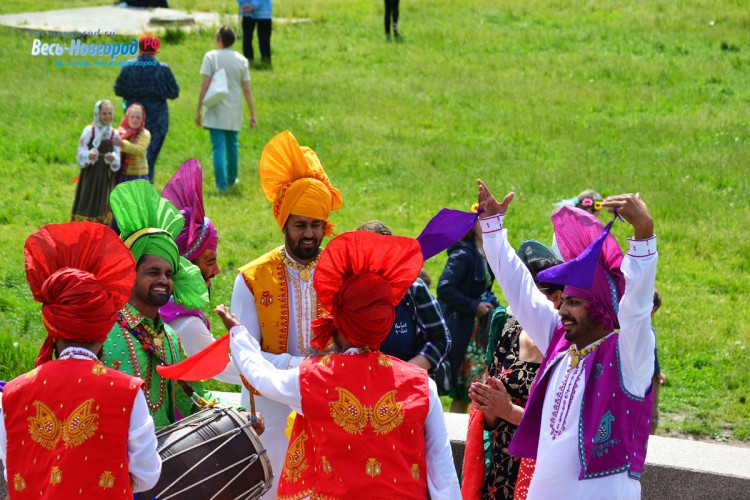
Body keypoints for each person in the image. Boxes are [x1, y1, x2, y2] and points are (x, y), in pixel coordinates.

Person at [223, 230, 461, 498]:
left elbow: (261, 377)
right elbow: (444, 478)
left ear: (338, 323)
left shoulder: (313, 380)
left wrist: (239, 335)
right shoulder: (422, 386)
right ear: (384, 325)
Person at [476, 179, 657, 499]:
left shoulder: (628, 356)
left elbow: (637, 310)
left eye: (574, 302)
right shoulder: (561, 344)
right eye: (563, 300)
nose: (561, 309)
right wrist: (493, 228)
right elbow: (520, 290)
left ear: (599, 307)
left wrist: (643, 235)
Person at [0, 222, 160, 497]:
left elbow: (11, 470)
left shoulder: (12, 392)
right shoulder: (126, 391)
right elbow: (147, 475)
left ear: (53, 328)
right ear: (103, 331)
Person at [230, 129, 342, 499]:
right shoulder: (252, 278)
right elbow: (243, 357)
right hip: (271, 412)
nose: (309, 235)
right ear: (284, 223)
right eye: (300, 225)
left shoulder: (339, 271)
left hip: (329, 405)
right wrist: (301, 367)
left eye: (316, 225)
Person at [101, 180, 215, 428]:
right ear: (130, 273)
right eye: (153, 272)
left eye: (168, 273)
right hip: (112, 461)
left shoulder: (171, 339)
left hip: (161, 463)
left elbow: (193, 398)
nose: (163, 280)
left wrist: (236, 414)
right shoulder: (102, 331)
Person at [462, 245, 564, 500]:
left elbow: (563, 426)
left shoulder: (568, 347)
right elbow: (490, 418)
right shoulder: (507, 329)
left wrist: (508, 411)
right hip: (499, 474)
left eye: (528, 297)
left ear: (557, 298)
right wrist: (489, 408)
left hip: (543, 476)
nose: (520, 305)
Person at [160, 158, 243, 384]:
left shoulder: (156, 304)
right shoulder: (187, 325)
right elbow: (233, 371)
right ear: (186, 266)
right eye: (209, 261)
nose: (217, 270)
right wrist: (242, 337)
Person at [357, 220, 451, 371]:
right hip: (362, 385)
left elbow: (440, 339)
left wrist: (405, 372)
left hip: (408, 386)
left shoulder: (413, 289)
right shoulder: (349, 295)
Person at [437, 214, 499, 413]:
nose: (489, 227)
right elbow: (444, 288)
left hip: (477, 333)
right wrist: (475, 306)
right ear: (473, 226)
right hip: (463, 332)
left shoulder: (487, 253)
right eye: (484, 223)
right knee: (472, 389)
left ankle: (462, 439)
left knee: (469, 391)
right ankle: (461, 439)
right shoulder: (464, 254)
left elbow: (484, 288)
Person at [196, 25, 257, 193]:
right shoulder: (242, 60)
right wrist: (252, 113)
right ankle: (232, 180)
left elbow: (205, 85)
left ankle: (221, 186)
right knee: (232, 145)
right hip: (234, 109)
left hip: (215, 106)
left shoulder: (211, 57)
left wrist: (198, 109)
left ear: (219, 39)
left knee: (218, 148)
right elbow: (247, 89)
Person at [113, 32, 180, 182]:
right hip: (158, 121)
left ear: (139, 47)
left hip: (133, 121)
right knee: (149, 159)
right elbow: (174, 92)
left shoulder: (129, 67)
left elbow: (118, 89)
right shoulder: (163, 69)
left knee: (133, 158)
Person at [72, 99, 121, 224]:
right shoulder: (89, 131)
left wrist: (113, 158)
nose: (107, 116)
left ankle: (100, 229)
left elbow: (118, 156)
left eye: (110, 113)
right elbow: (80, 151)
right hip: (91, 174)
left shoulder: (114, 134)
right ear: (97, 114)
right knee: (87, 199)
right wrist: (89, 154)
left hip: (105, 176)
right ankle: (84, 226)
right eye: (104, 113)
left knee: (103, 201)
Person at [113, 103, 151, 183]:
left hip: (137, 174)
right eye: (132, 117)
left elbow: (139, 150)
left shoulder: (144, 134)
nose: (135, 120)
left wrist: (123, 144)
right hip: (122, 172)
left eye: (138, 117)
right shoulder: (122, 132)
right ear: (127, 118)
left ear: (142, 119)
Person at [238, 0, 273, 67]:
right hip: (247, 13)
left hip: (263, 12)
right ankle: (248, 60)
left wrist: (253, 5)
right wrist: (244, 4)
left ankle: (266, 61)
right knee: (246, 38)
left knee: (264, 39)